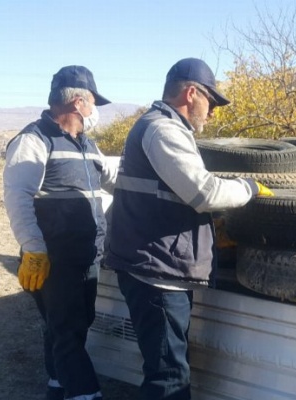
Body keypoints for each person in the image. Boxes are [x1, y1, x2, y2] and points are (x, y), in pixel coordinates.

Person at [105, 58, 273, 400]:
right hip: (155, 272)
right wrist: (249, 188)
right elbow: (203, 192)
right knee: (168, 378)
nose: (211, 114)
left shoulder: (161, 127)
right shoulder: (163, 130)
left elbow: (171, 195)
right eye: (210, 103)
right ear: (191, 93)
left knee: (166, 368)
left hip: (156, 265)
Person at [3, 65, 118, 400]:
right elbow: (18, 196)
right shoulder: (32, 140)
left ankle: (58, 385)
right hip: (52, 259)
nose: (95, 112)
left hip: (87, 254)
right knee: (67, 330)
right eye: (94, 103)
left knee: (74, 324)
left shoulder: (88, 146)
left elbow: (116, 177)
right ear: (77, 103)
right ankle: (85, 393)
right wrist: (33, 248)